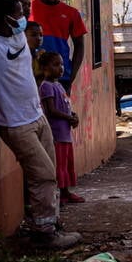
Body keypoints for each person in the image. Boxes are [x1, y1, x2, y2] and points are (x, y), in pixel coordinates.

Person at [0, 0, 81, 249]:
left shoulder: (18, 38)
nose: (23, 17)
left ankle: (50, 223)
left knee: (49, 174)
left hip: (37, 117)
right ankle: (44, 234)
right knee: (44, 174)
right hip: (15, 123)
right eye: (18, 13)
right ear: (4, 19)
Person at [30, 0, 87, 92]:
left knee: (61, 108)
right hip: (34, 74)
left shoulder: (71, 13)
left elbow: (80, 45)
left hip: (61, 76)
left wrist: (72, 75)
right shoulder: (30, 9)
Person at [38, 52, 83, 204]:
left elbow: (65, 106)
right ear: (44, 68)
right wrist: (68, 117)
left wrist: (73, 116)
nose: (61, 68)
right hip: (56, 133)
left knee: (67, 163)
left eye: (61, 64)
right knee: (59, 164)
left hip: (65, 132)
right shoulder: (46, 87)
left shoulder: (58, 85)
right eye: (56, 65)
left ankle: (66, 191)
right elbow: (51, 110)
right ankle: (61, 194)